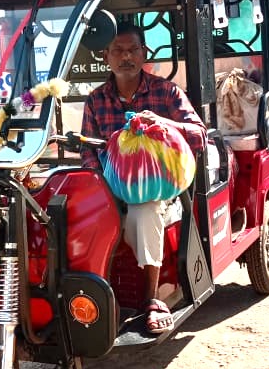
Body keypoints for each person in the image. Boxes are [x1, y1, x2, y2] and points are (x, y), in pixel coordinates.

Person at [81, 22, 207, 334]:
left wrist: (164, 123)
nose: (126, 57)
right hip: (111, 189)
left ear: (144, 53)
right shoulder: (95, 100)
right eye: (118, 51)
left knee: (145, 210)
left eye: (132, 50)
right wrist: (100, 191)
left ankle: (152, 299)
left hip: (159, 190)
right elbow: (88, 151)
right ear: (106, 56)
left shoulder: (167, 92)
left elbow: (199, 135)